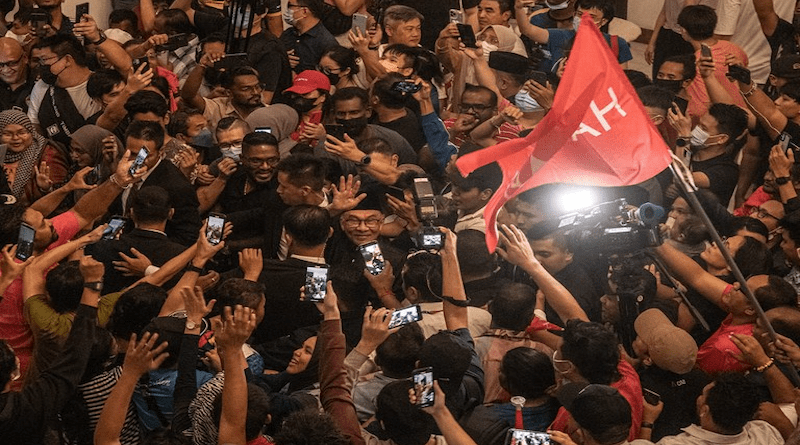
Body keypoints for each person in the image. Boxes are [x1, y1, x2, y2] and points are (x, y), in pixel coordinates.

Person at [107, 120, 201, 246]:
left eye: (145, 156)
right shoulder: (123, 170)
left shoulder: (177, 187)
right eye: (133, 154)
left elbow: (188, 237)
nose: (137, 162)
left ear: (161, 152)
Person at [652, 374, 783, 445]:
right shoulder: (766, 433)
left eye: (703, 395)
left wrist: (647, 422)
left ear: (705, 410)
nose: (699, 397)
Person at [0, 109, 70, 206]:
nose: (15, 138)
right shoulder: (1, 154)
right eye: (7, 134)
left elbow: (63, 197)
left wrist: (45, 189)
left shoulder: (48, 154)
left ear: (31, 133)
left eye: (22, 132)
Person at [280, 0, 338, 73]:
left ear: (304, 11)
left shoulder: (326, 43)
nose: (288, 10)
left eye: (290, 6)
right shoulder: (287, 34)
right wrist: (282, 60)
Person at [0, 37, 34, 112]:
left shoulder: (38, 84)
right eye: (0, 65)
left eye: (12, 63)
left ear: (25, 58)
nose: (6, 70)